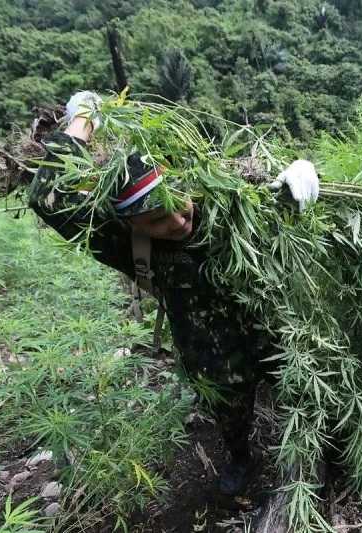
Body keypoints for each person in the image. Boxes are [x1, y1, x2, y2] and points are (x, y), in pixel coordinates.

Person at [28, 91, 320, 496]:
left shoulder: (224, 201)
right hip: (209, 348)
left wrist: (303, 172)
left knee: (305, 386)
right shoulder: (122, 243)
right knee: (228, 408)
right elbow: (48, 198)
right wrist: (83, 118)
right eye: (157, 221)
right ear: (130, 224)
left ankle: (316, 448)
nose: (179, 222)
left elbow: (287, 211)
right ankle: (240, 457)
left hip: (271, 326)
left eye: (180, 206)